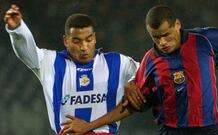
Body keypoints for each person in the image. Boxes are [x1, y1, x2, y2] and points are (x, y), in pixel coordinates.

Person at [59, 4, 218, 135]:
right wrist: (89, 126)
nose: (162, 42)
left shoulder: (205, 40)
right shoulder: (150, 60)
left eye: (166, 35)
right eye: (156, 37)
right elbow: (131, 105)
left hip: (208, 130)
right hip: (170, 131)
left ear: (177, 25)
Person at [4, 4, 139, 135]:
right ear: (66, 41)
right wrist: (18, 30)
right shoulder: (51, 63)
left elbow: (143, 72)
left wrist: (133, 80)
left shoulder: (118, 63)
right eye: (77, 41)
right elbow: (27, 52)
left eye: (89, 39)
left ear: (95, 38)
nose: (84, 47)